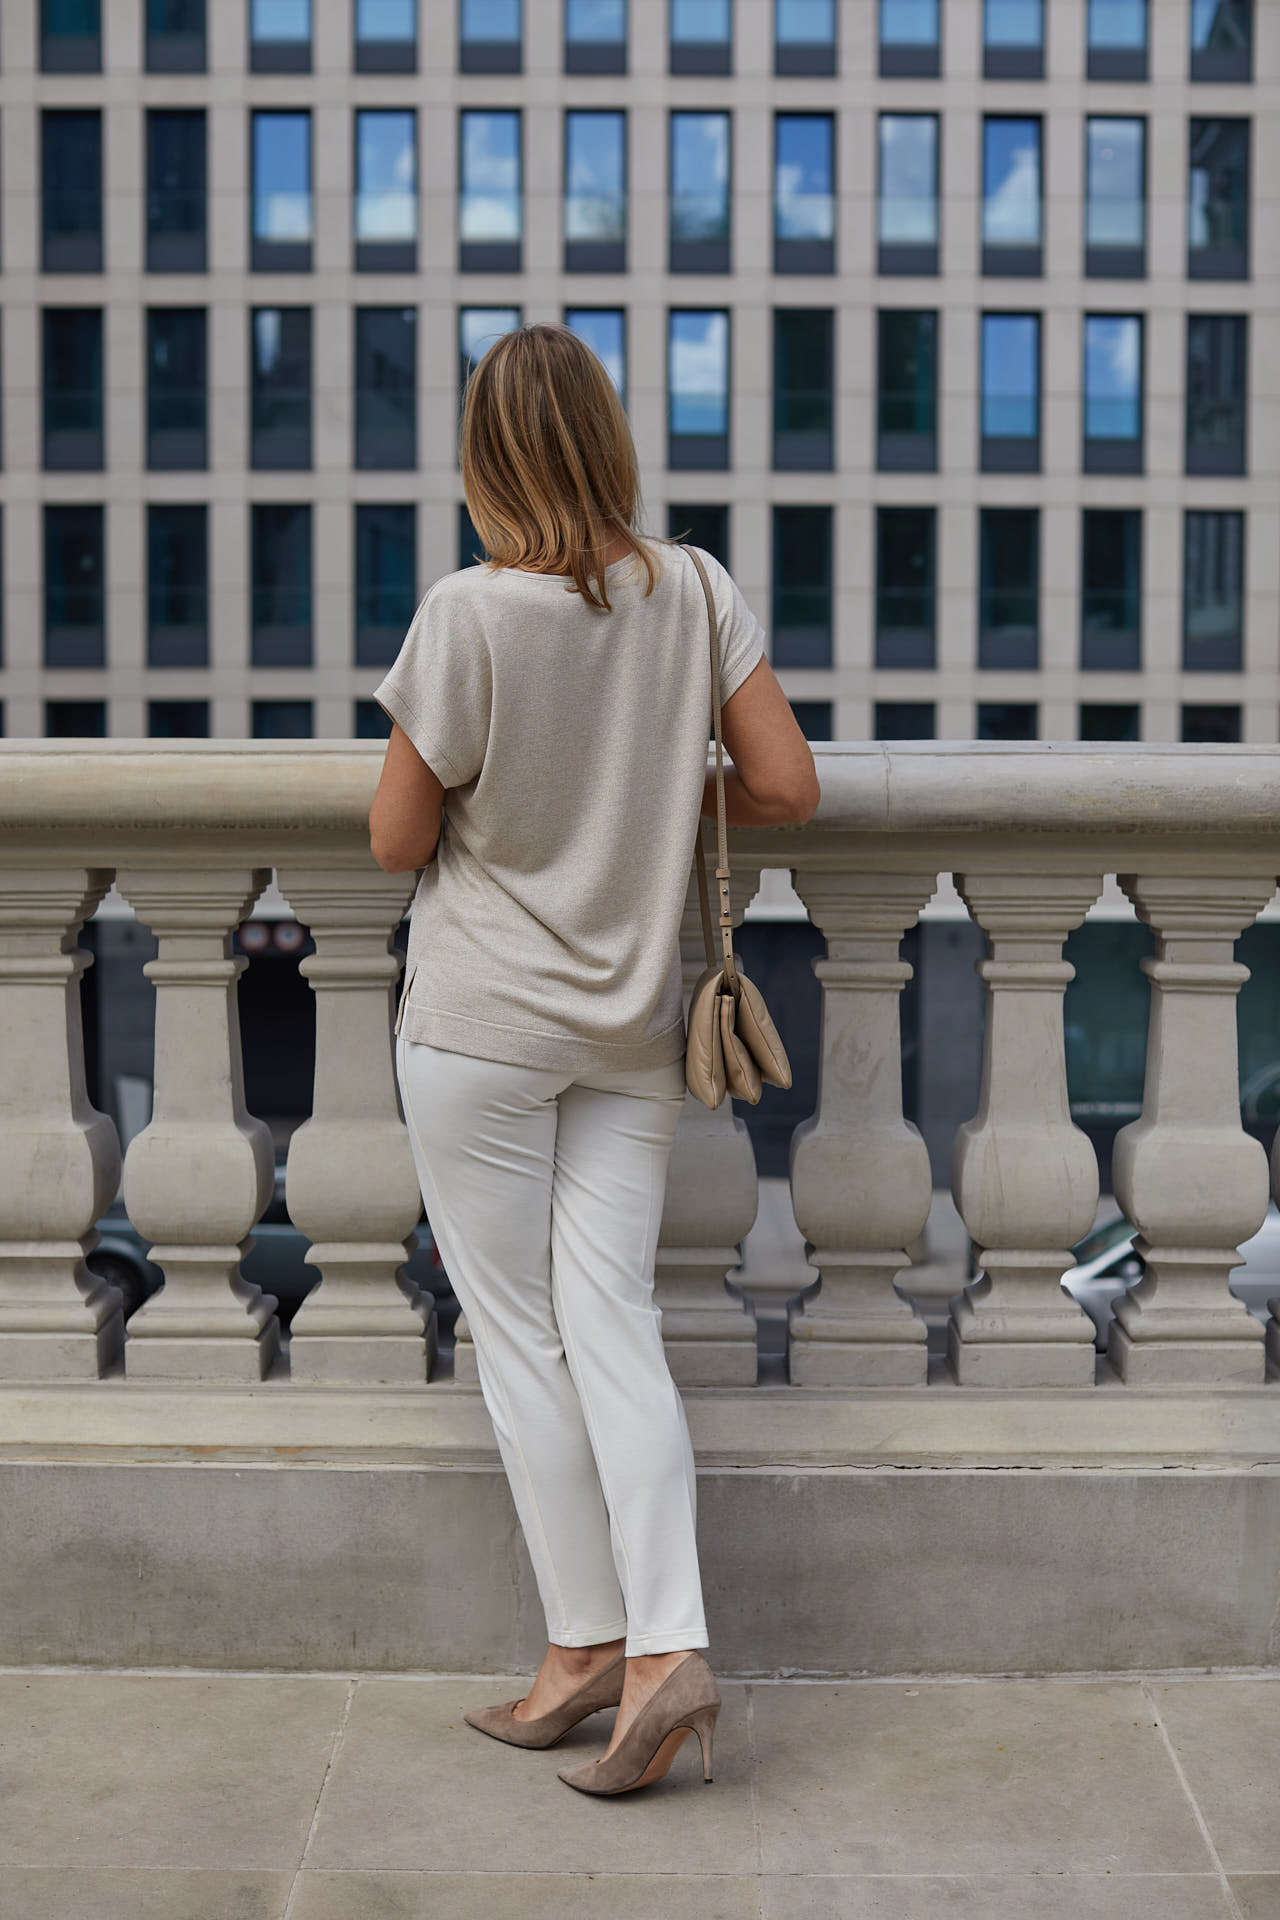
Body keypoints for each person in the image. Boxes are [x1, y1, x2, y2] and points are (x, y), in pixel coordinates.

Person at [368, 322, 819, 1795]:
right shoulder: (694, 591)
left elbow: (396, 840)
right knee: (612, 1323)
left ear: (486, 459)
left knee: (521, 1339)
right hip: (632, 1029)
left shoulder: (468, 615)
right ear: (609, 440)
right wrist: (642, 776)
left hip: (484, 1026)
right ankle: (643, 1650)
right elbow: (786, 787)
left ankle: (589, 1644)